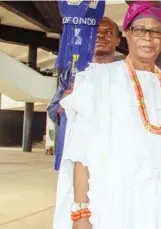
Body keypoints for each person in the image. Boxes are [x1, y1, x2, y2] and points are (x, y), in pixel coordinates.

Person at [53, 2, 161, 229]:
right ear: (127, 35)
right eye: (139, 29)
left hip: (156, 202)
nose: (147, 37)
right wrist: (81, 212)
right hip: (109, 203)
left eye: (155, 31)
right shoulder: (97, 79)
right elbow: (80, 153)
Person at [48, 17, 121, 170]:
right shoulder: (71, 73)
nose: (100, 36)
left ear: (118, 41)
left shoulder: (125, 75)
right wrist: (64, 104)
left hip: (111, 156)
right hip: (76, 154)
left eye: (108, 32)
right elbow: (53, 110)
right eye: (95, 32)